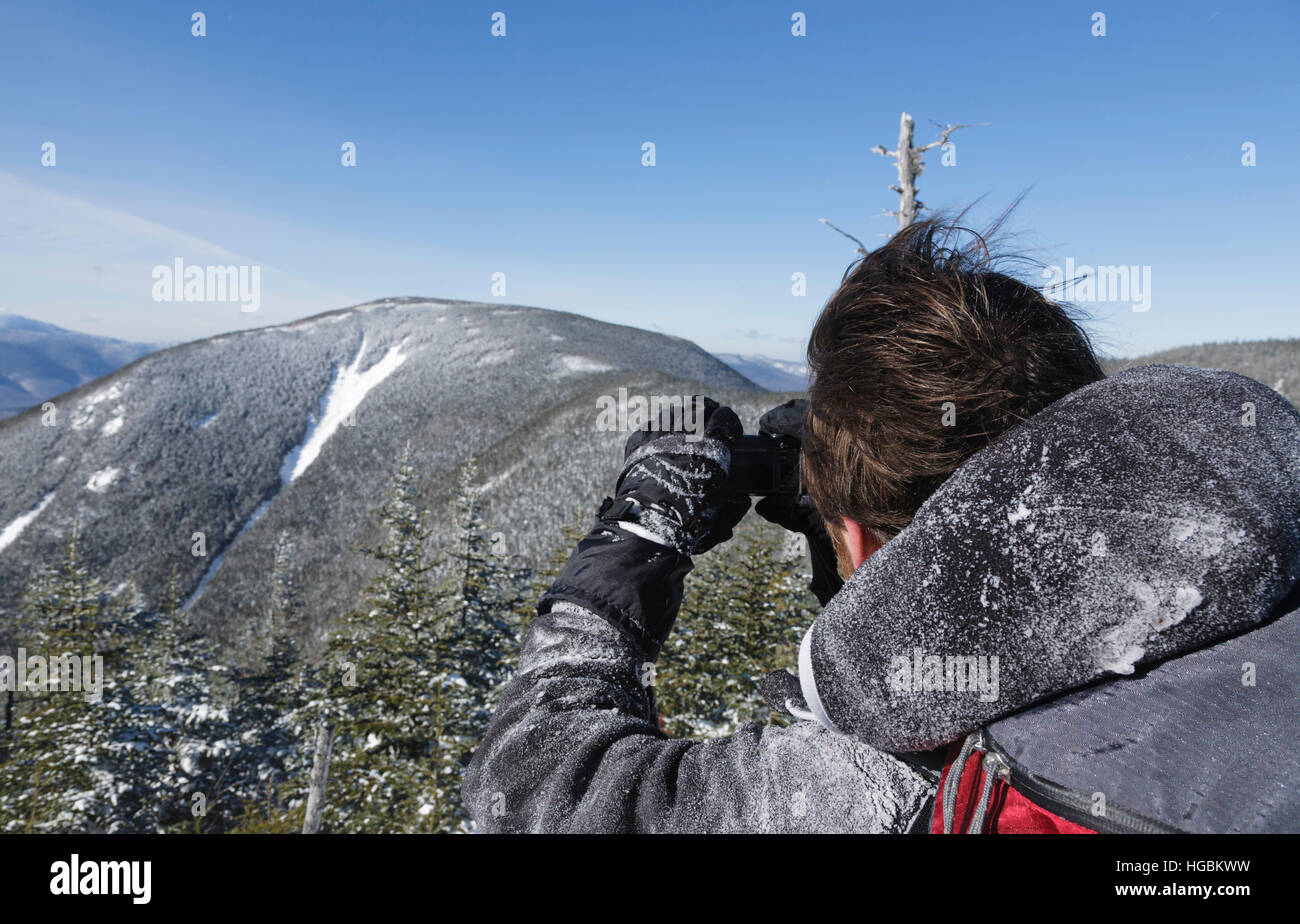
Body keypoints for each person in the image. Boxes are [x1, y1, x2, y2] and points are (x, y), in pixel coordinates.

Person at [462, 217, 1300, 833]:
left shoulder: (894, 787)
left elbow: (539, 789)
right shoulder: (1269, 585)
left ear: (857, 538)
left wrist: (638, 537)